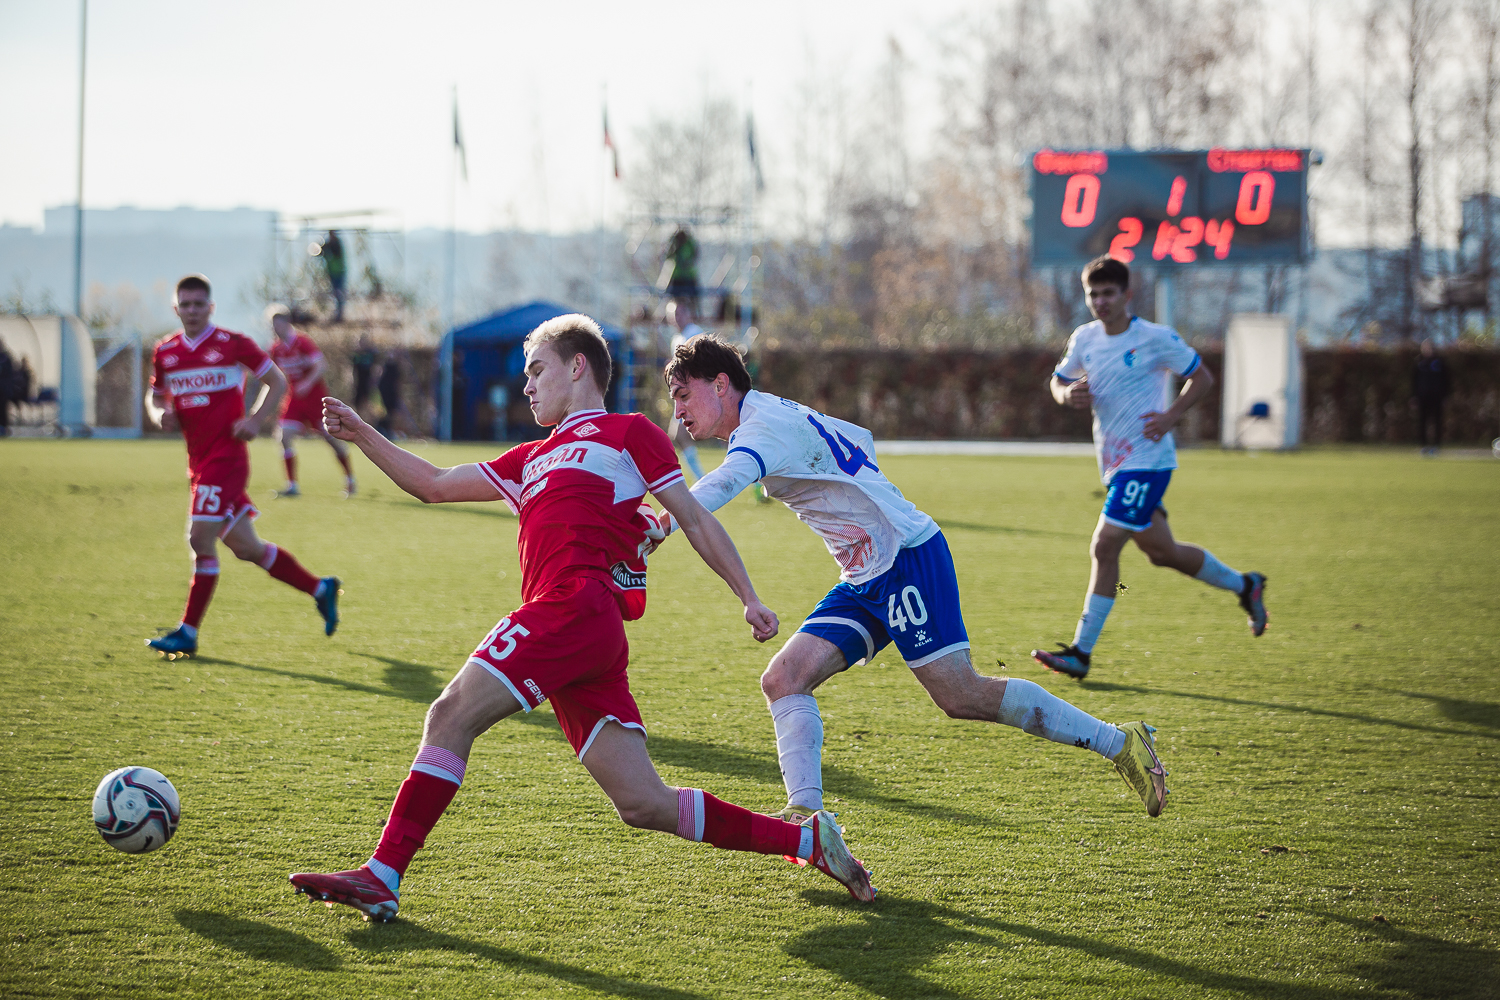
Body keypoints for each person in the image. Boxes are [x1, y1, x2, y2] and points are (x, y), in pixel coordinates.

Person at [289, 314, 875, 921]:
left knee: (450, 713)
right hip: (582, 632)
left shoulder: (628, 433)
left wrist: (748, 595)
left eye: (536, 369)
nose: (527, 385)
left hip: (571, 608)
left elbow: (694, 518)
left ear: (577, 367)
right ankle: (808, 842)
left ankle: (383, 874)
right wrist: (362, 434)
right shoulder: (529, 458)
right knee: (644, 804)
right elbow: (434, 483)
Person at [657, 335, 1172, 827]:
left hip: (906, 557)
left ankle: (1118, 742)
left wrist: (662, 521)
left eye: (683, 394)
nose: (678, 410)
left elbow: (723, 485)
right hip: (866, 571)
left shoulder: (759, 428)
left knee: (961, 695)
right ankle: (806, 820)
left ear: (721, 384)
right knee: (783, 679)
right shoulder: (774, 411)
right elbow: (859, 440)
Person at [1032, 255, 1268, 680]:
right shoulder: (1085, 338)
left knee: (1104, 546)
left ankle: (1080, 653)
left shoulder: (1156, 338)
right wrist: (1066, 396)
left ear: (1127, 294)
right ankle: (1246, 585)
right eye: (1093, 295)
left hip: (1147, 463)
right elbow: (1057, 380)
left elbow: (1203, 378)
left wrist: (1171, 414)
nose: (1100, 302)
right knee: (1163, 553)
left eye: (1108, 293)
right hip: (1115, 464)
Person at [144, 275, 341, 660]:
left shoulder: (233, 344)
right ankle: (321, 589)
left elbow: (276, 381)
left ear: (210, 307)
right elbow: (154, 398)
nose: (193, 310)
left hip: (227, 459)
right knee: (248, 548)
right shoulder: (166, 352)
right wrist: (158, 415)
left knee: (199, 540)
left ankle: (188, 631)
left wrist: (254, 419)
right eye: (186, 305)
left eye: (200, 304)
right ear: (176, 309)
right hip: (198, 463)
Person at [266, 305, 356, 497]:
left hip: (316, 401)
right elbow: (272, 378)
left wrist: (306, 383)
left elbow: (321, 365)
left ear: (286, 323)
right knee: (284, 437)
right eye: (273, 325)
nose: (276, 328)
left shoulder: (302, 342)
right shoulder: (275, 349)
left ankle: (350, 479)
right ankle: (292, 486)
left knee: (331, 440)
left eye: (278, 324)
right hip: (294, 400)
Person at [667, 299, 707, 479]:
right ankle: (701, 479)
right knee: (677, 434)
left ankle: (756, 481)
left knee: (728, 433)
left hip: (697, 393)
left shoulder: (695, 334)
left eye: (680, 313)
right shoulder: (676, 338)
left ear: (689, 314)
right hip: (685, 395)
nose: (677, 318)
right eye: (673, 314)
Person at [1411, 338, 1451, 456]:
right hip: (1423, 397)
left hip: (1437, 397)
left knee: (1437, 422)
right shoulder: (1419, 363)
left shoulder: (1440, 363)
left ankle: (1436, 446)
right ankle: (1423, 446)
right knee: (1422, 422)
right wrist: (1414, 397)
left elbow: (1446, 381)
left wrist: (1446, 396)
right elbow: (1413, 381)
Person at [664, 227, 699, 310]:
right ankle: (673, 313)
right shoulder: (675, 244)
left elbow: (695, 254)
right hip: (677, 275)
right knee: (674, 297)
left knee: (693, 297)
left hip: (689, 275)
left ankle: (694, 314)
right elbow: (668, 255)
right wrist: (674, 244)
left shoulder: (690, 244)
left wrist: (688, 262)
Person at [321, 231, 347, 322]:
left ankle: (339, 314)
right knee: (335, 294)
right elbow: (320, 252)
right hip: (332, 272)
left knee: (339, 293)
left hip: (339, 272)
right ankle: (336, 313)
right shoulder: (329, 244)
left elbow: (334, 252)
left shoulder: (337, 244)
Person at [351, 333, 377, 418]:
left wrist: (373, 380)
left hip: (368, 382)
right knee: (357, 401)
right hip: (359, 382)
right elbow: (353, 368)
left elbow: (374, 367)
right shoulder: (357, 354)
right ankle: (358, 417)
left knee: (368, 401)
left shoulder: (371, 354)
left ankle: (369, 419)